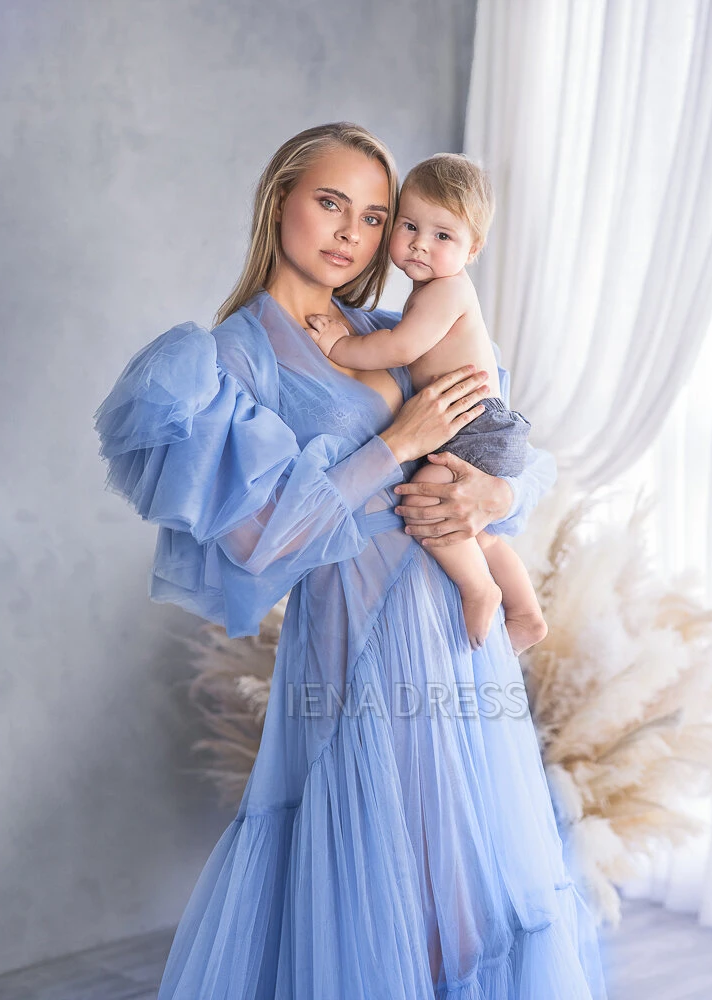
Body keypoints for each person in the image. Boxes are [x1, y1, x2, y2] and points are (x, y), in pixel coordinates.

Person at [94, 122, 607, 999]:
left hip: (457, 634)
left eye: (374, 217)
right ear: (279, 200)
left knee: (470, 890)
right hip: (356, 649)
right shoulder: (232, 360)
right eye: (331, 203)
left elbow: (513, 453)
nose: (351, 234)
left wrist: (494, 499)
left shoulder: (392, 324)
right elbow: (263, 539)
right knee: (382, 889)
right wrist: (395, 443)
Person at [305, 153, 548, 655]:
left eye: (443, 236)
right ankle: (525, 612)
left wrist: (338, 345)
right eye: (410, 226)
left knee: (425, 506)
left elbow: (400, 348)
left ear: (472, 248)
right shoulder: (427, 293)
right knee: (468, 531)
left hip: (476, 428)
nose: (420, 243)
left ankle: (480, 590)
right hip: (474, 428)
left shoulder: (445, 292)